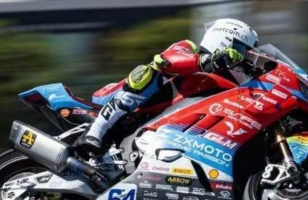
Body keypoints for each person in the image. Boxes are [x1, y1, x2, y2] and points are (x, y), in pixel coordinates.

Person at [75, 18, 259, 156]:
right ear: (223, 41)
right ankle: (96, 131)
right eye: (243, 52)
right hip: (121, 106)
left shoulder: (227, 87)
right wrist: (207, 61)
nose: (245, 61)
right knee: (150, 72)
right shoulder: (188, 48)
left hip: (164, 131)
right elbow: (169, 60)